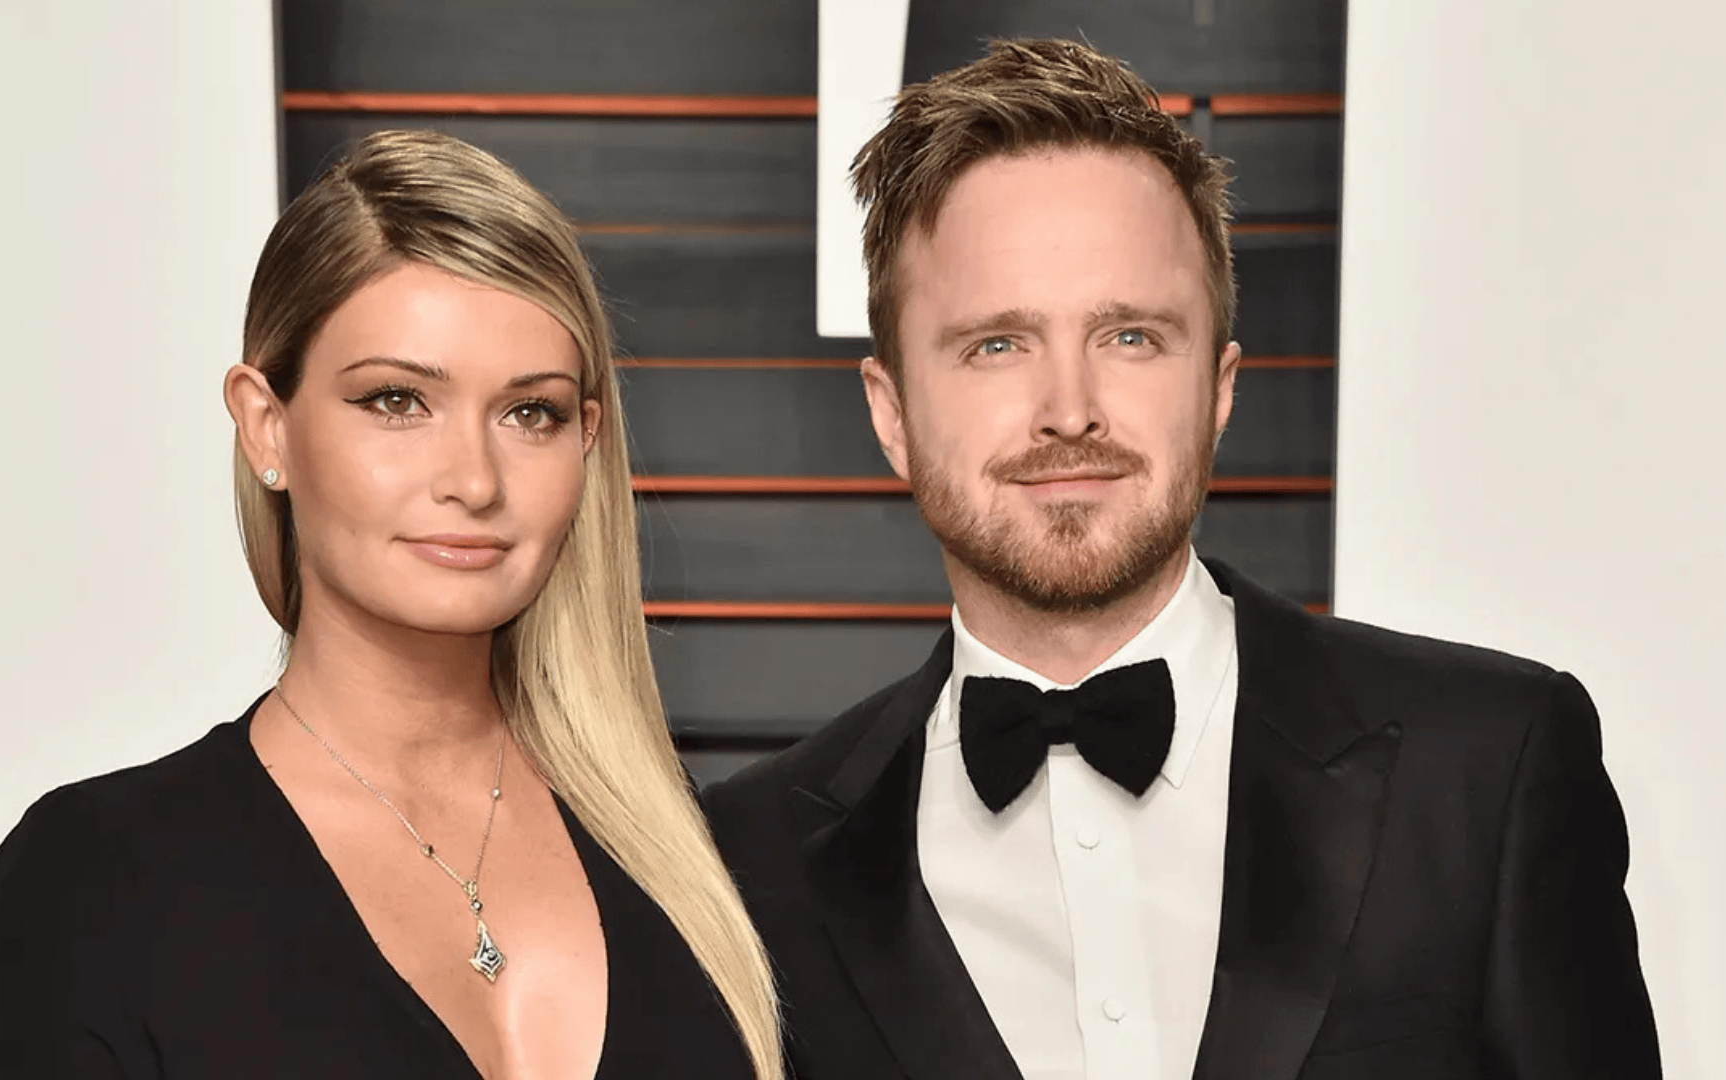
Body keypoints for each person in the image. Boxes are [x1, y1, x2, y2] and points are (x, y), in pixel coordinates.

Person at [704, 39, 1660, 1080]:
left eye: (1130, 337)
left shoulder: (1487, 765)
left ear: (1221, 387)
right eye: (996, 345)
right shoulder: (746, 866)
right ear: (892, 415)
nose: (1069, 411)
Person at [0, 130, 781, 1080]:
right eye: (396, 401)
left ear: (585, 443)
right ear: (267, 424)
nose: (473, 480)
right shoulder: (93, 880)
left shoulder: (700, 866)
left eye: (530, 413)